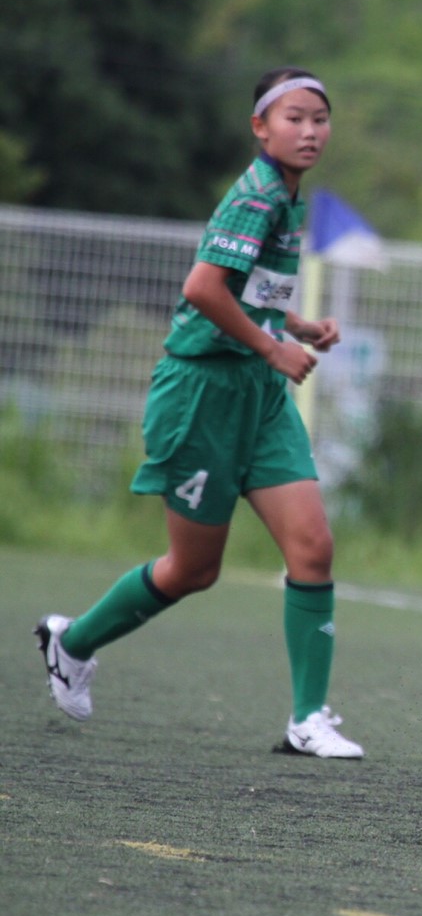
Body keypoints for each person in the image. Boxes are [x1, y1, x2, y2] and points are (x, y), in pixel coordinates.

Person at [35, 67, 362, 757]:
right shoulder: (256, 196)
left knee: (312, 547)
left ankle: (309, 718)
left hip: (257, 395)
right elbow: (204, 289)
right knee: (193, 569)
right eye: (294, 118)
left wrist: (292, 326)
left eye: (319, 119)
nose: (309, 131)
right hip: (202, 395)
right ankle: (74, 641)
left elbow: (250, 290)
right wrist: (275, 351)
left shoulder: (290, 194)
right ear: (260, 128)